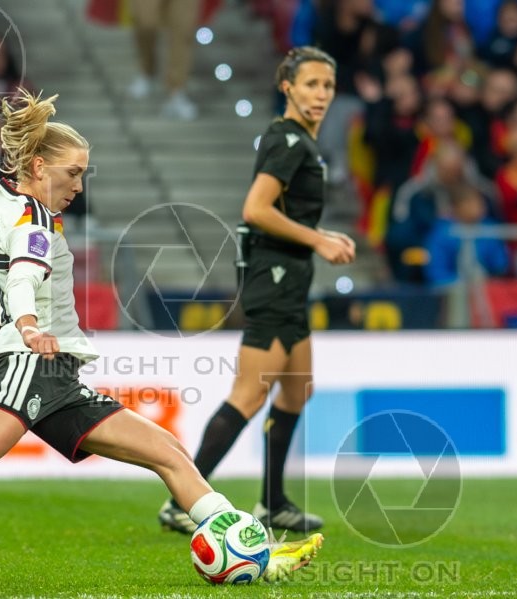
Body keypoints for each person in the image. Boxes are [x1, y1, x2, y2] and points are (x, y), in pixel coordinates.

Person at [0, 89, 323, 583]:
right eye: (72, 173)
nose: (78, 185)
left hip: (56, 371)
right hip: (30, 360)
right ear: (37, 168)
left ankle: (255, 553)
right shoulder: (34, 219)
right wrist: (29, 324)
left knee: (167, 450)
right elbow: (28, 270)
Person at [158, 47, 356, 535]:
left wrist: (322, 239)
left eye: (327, 86)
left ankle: (272, 501)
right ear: (287, 85)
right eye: (311, 84)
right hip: (274, 280)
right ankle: (182, 501)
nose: (321, 95)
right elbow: (256, 209)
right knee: (248, 396)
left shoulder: (301, 143)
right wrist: (320, 240)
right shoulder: (286, 140)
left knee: (295, 391)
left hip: (291, 280)